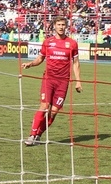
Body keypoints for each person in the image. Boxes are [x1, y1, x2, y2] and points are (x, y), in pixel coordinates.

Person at [20, 16, 83, 146]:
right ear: (54, 26)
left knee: (53, 112)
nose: (61, 27)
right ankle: (31, 135)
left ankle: (38, 135)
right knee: (44, 106)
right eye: (58, 24)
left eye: (63, 25)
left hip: (63, 82)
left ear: (66, 26)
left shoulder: (72, 43)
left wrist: (78, 81)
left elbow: (76, 63)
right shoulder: (48, 42)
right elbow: (40, 58)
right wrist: (30, 64)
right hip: (48, 79)